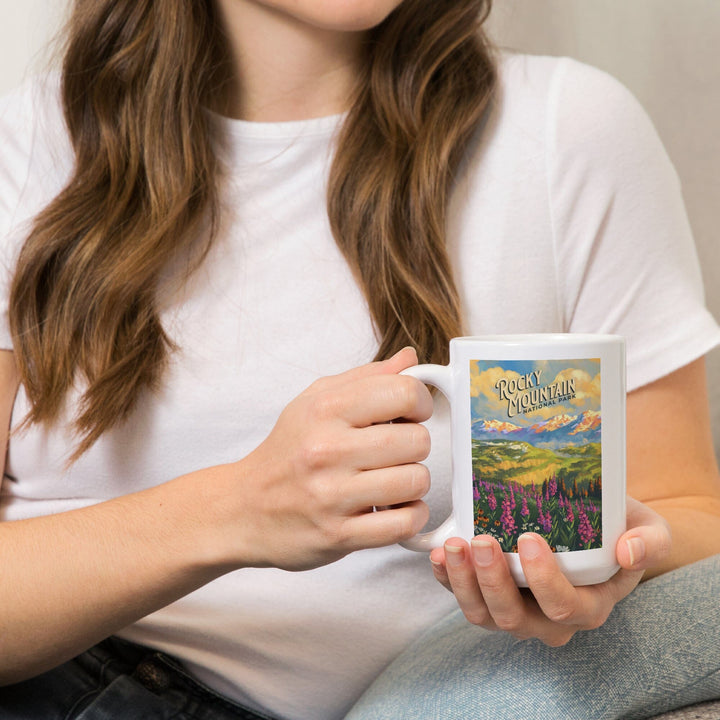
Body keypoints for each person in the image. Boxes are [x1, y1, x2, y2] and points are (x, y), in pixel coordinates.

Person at [0, 1, 719, 719]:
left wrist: (616, 564)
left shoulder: (569, 130)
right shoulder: (26, 146)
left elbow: (688, 511)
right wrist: (239, 509)